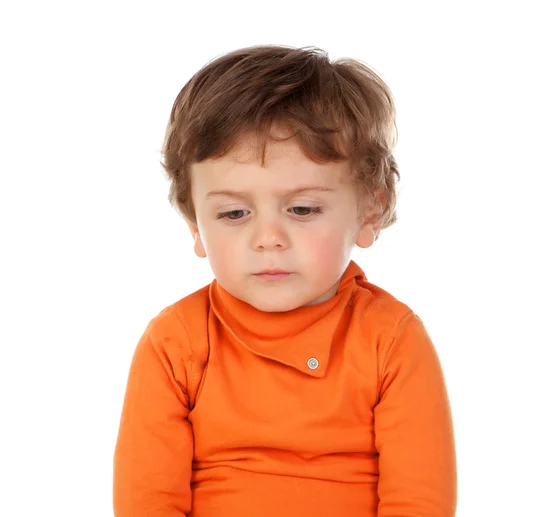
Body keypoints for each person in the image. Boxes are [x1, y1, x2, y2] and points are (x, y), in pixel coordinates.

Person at [113, 44, 457, 517]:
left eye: (302, 209)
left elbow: (420, 500)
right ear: (196, 225)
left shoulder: (391, 341)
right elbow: (147, 501)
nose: (268, 238)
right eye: (234, 213)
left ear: (369, 210)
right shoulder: (175, 344)